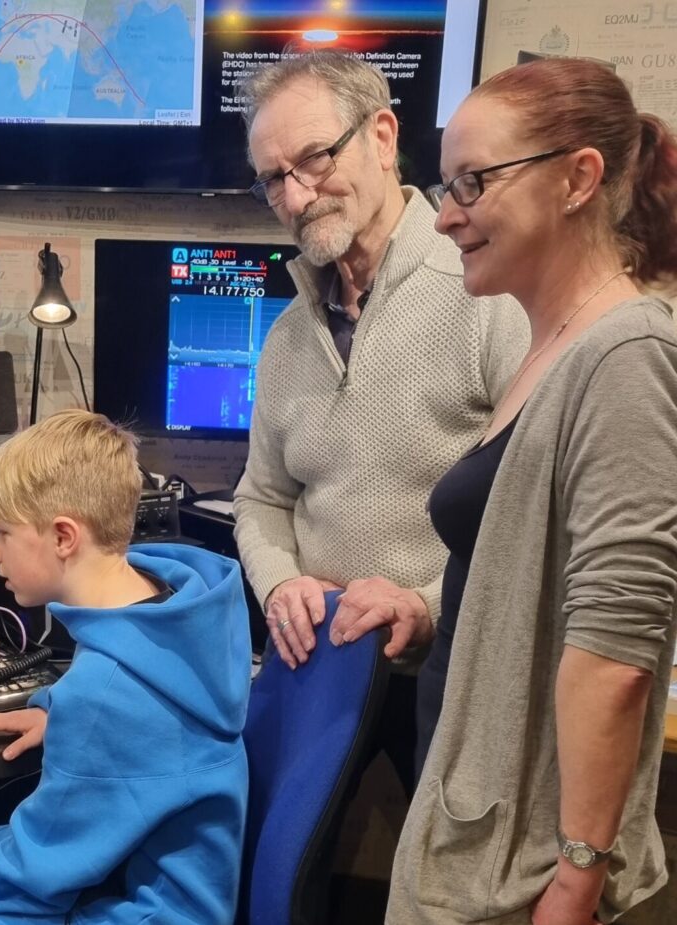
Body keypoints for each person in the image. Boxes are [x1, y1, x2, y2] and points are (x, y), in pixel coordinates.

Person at [387, 57, 677, 925]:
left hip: (529, 873)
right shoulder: (549, 346)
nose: (444, 217)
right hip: (481, 835)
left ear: (579, 178)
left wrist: (578, 876)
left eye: (473, 183)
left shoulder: (626, 356)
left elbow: (617, 652)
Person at [232, 50, 528, 790]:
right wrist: (279, 585)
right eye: (275, 178)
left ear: (384, 136)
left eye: (315, 159)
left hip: (452, 671)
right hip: (320, 669)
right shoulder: (287, 338)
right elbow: (261, 498)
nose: (297, 197)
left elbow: (533, 515)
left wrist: (424, 607)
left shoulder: (488, 294)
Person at [0, 409, 252, 925]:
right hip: (167, 886)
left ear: (64, 537)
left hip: (138, 910)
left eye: (3, 532)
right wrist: (58, 713)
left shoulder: (105, 694)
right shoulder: (176, 606)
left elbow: (33, 878)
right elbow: (151, 734)